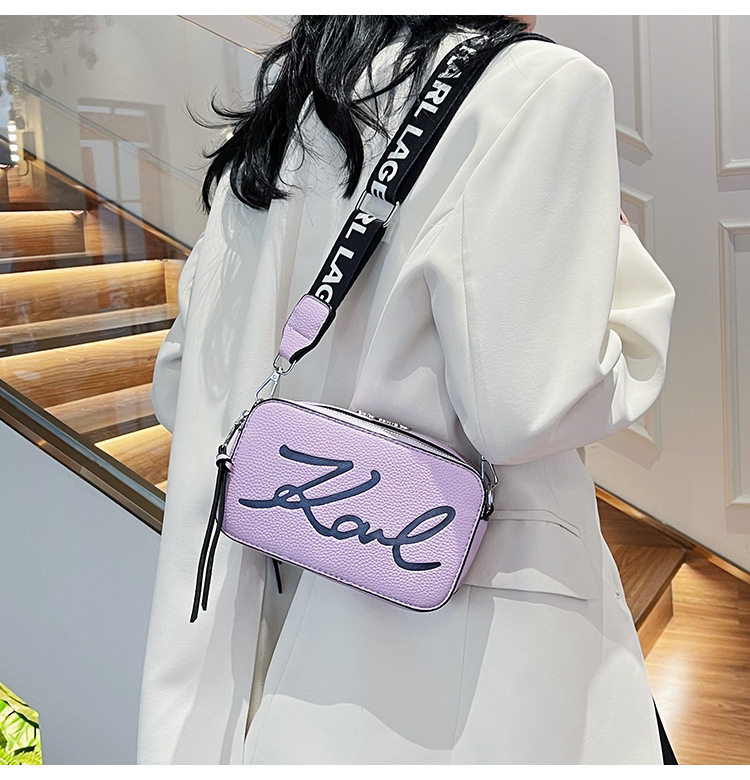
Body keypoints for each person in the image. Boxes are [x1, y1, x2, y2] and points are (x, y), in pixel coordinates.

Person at [137, 15, 676, 764]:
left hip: (265, 618)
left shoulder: (294, 97)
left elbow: (180, 385)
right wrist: (614, 264)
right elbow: (526, 409)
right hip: (462, 659)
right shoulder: (540, 85)